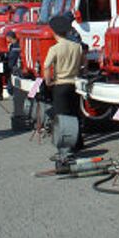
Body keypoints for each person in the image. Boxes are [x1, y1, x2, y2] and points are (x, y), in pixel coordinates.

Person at [43, 15, 85, 149]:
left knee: (63, 117)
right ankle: (78, 142)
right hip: (74, 83)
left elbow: (46, 67)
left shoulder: (54, 49)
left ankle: (67, 145)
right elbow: (84, 64)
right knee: (75, 114)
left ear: (54, 31)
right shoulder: (77, 46)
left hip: (60, 84)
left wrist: (48, 81)